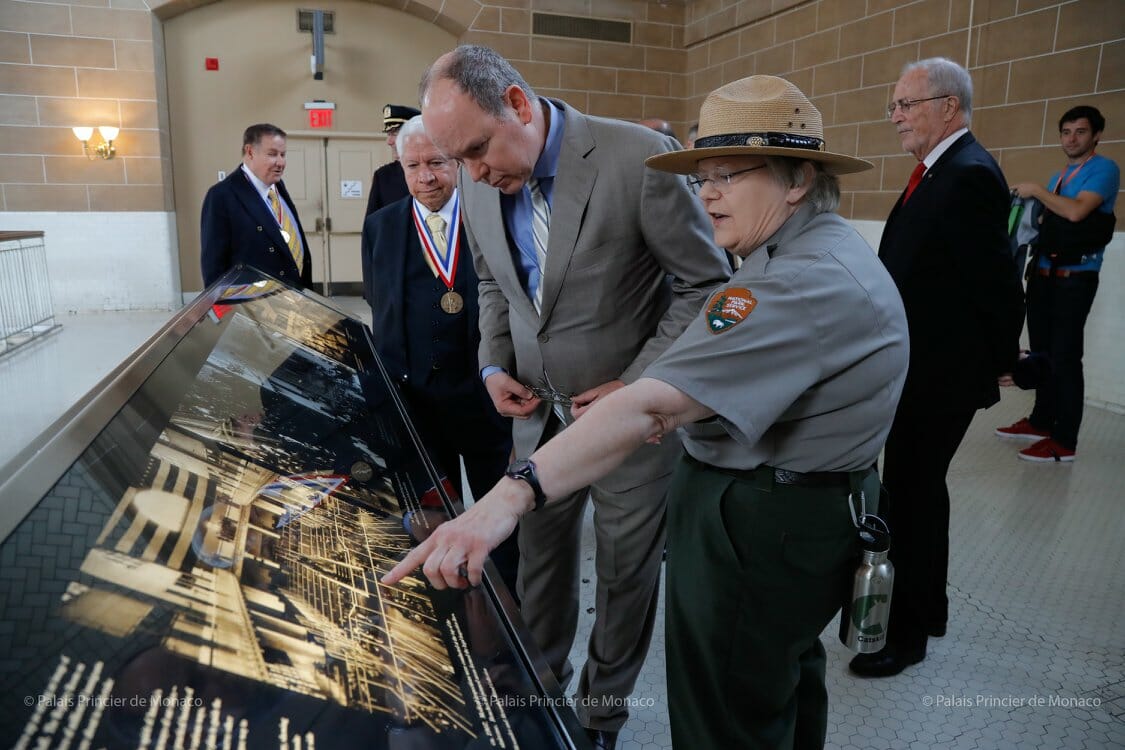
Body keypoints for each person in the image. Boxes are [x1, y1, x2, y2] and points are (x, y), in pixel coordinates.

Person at [386, 74, 909, 750]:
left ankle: (598, 715)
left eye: (727, 174)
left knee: (719, 710)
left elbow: (653, 405)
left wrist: (508, 496)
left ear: (798, 178)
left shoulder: (794, 282)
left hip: (759, 514)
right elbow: (495, 284)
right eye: (702, 175)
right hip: (765, 499)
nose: (706, 192)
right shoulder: (782, 255)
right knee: (773, 683)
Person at [416, 45, 730, 750]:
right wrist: (493, 364)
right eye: (455, 159)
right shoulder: (477, 180)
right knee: (541, 566)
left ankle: (599, 716)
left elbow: (704, 285)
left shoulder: (638, 160)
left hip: (629, 429)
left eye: (475, 150)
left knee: (624, 576)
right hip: (537, 422)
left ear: (520, 106)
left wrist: (638, 384)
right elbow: (494, 285)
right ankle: (538, 689)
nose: (469, 174)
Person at [850, 58, 1025, 679]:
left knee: (913, 496)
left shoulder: (969, 173)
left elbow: (997, 279)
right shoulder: (941, 169)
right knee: (918, 492)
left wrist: (1002, 360)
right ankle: (929, 610)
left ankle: (908, 635)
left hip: (939, 372)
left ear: (947, 106)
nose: (895, 115)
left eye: (905, 103)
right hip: (921, 363)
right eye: (893, 104)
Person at [361, 115, 519, 596]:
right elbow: (379, 305)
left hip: (485, 399)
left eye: (436, 163)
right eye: (413, 166)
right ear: (399, 166)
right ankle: (444, 595)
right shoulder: (381, 227)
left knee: (500, 509)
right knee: (429, 512)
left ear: (456, 162)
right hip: (418, 404)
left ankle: (508, 595)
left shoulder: (492, 216)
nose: (425, 176)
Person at [995, 105, 1119, 462]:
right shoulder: (1059, 177)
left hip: (1074, 279)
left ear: (1096, 135)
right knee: (1043, 354)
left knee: (1065, 358)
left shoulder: (1104, 170)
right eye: (1066, 132)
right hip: (1044, 275)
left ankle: (1065, 442)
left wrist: (1036, 190)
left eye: (1080, 132)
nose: (1072, 139)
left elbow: (1077, 211)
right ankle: (1041, 421)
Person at [201, 123, 311, 289]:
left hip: (295, 299)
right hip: (256, 305)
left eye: (283, 154)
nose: (280, 162)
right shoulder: (222, 196)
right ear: (250, 151)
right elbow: (214, 269)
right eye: (272, 154)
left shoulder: (278, 187)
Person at [364, 104, 421, 218]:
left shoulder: (442, 171)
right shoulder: (384, 176)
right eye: (389, 134)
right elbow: (371, 225)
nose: (389, 141)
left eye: (395, 133)